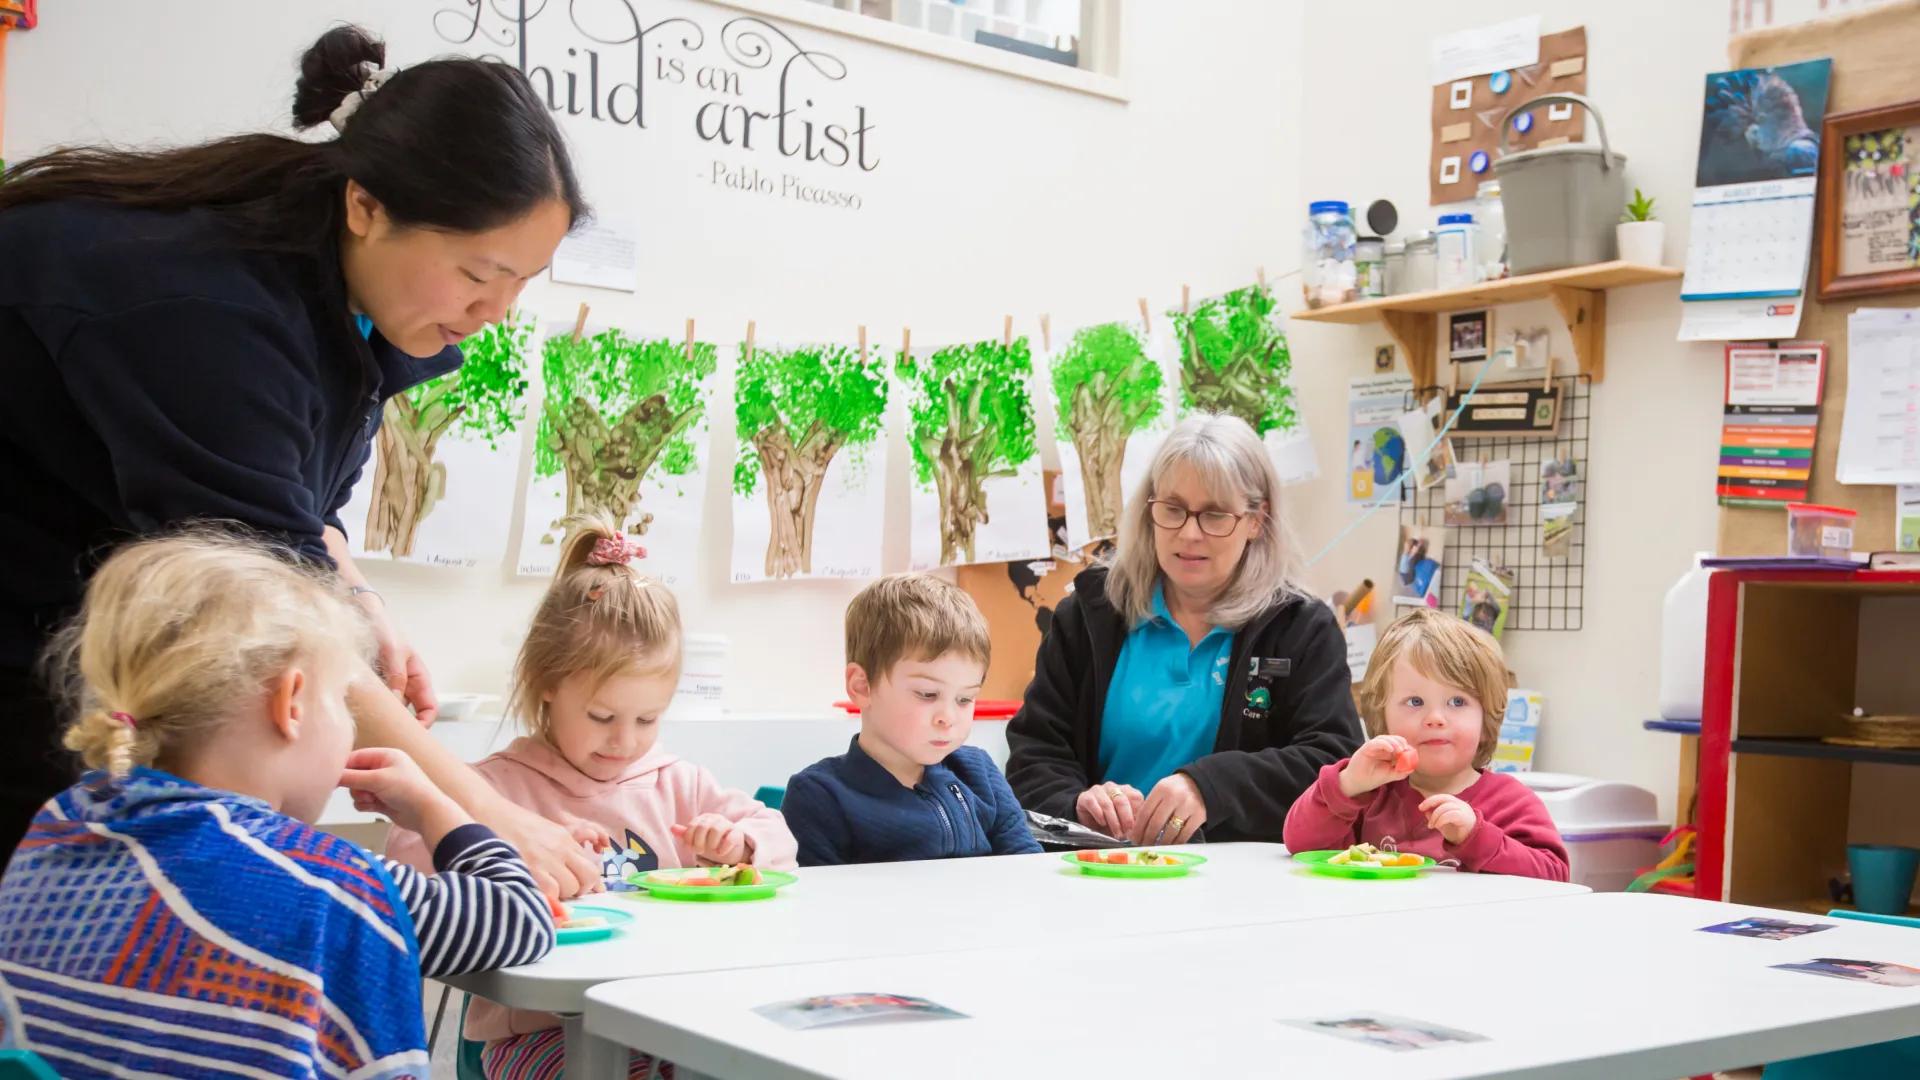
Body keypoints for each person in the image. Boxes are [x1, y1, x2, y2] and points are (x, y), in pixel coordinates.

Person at [0, 24, 604, 893]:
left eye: (520, 284)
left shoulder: (347, 301)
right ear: (366, 207)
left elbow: (297, 522)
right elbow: (270, 601)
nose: (494, 311)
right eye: (480, 273)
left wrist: (358, 602)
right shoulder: (210, 313)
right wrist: (487, 816)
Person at [0, 531, 554, 1078]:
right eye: (340, 700)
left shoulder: (53, 831)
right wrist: (436, 807)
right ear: (290, 704)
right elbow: (519, 918)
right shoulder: (330, 885)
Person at [386, 517, 796, 1079]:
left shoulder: (677, 782)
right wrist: (509, 859)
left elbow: (778, 837)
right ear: (549, 684)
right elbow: (407, 856)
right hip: (538, 1035)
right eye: (602, 716)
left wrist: (739, 845)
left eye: (648, 718)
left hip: (663, 1018)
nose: (625, 741)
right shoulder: (495, 788)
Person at [1007, 413, 1362, 845]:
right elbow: (1035, 754)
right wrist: (1078, 806)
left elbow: (1333, 763)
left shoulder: (1301, 628)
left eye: (1214, 515)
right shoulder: (1089, 614)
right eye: (1173, 510)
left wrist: (1208, 788)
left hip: (1243, 884)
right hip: (1101, 871)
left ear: (1256, 520)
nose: (1189, 533)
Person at [1283, 607, 1568, 880]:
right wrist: (1346, 785)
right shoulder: (1370, 795)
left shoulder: (1510, 802)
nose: (1435, 718)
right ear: (1382, 717)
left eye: (1457, 702)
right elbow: (1301, 845)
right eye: (1415, 702)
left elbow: (1554, 875)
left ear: (1486, 721)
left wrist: (1475, 837)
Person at [783, 574, 1041, 866]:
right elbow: (815, 904)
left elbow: (1028, 873)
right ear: (862, 686)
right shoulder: (820, 796)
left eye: (965, 699)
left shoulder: (979, 773)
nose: (948, 717)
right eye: (927, 694)